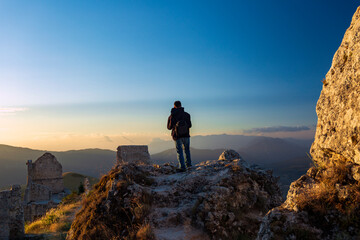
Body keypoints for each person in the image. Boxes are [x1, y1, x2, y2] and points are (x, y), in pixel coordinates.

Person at [167, 100, 192, 171]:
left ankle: (182, 167)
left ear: (174, 106)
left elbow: (169, 127)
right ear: (181, 105)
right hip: (186, 135)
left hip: (177, 136)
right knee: (187, 150)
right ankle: (189, 165)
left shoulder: (172, 116)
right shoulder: (187, 114)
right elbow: (190, 125)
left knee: (179, 151)